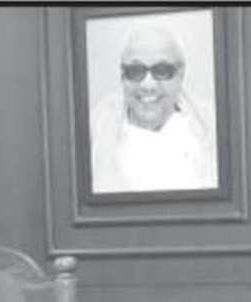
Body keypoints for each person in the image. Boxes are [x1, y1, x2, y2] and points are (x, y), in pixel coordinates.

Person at [90, 26, 217, 193]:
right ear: (122, 75)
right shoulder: (96, 127)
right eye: (135, 71)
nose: (147, 85)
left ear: (181, 74)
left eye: (162, 71)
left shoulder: (212, 125)